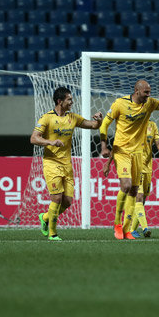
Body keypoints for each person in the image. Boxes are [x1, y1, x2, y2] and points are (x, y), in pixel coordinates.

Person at [100, 80, 159, 240]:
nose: (149, 95)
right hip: (122, 151)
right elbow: (104, 124)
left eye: (150, 92)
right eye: (146, 92)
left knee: (134, 190)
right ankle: (117, 224)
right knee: (126, 185)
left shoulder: (150, 104)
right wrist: (104, 147)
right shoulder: (120, 104)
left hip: (138, 154)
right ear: (137, 91)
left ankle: (127, 230)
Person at [31, 87, 103, 241]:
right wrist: (50, 142)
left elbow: (93, 126)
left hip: (67, 165)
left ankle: (44, 217)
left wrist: (99, 120)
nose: (72, 102)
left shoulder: (73, 117)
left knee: (67, 201)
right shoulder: (46, 118)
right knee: (56, 198)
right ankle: (52, 233)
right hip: (51, 163)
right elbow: (34, 138)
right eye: (69, 99)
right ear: (60, 101)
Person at [103, 120, 159, 238]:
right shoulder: (132, 123)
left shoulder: (152, 125)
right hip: (135, 165)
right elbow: (118, 145)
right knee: (139, 197)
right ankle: (144, 227)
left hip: (148, 168)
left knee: (142, 201)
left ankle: (132, 229)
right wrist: (108, 163)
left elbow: (158, 144)